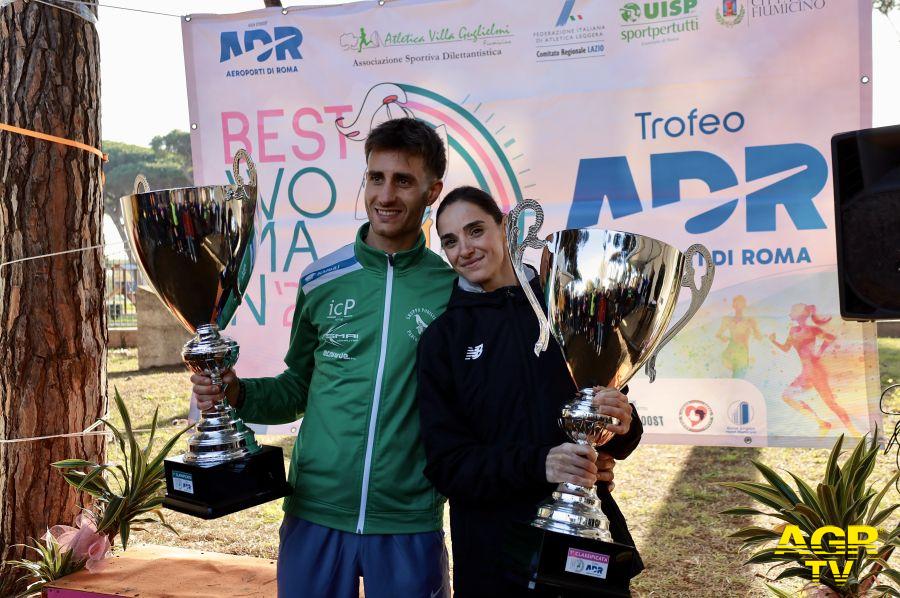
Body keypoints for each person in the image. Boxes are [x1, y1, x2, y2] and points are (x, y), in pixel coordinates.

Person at [191, 118, 457, 597]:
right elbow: (297, 387)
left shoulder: (453, 290)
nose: (386, 195)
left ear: (432, 191)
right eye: (376, 177)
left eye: (403, 180)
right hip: (314, 510)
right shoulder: (321, 279)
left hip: (408, 517)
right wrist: (236, 392)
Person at [416, 186, 645, 597]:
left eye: (475, 230)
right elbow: (447, 465)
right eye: (450, 241)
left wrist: (622, 423)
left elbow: (614, 430)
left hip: (583, 547)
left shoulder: (572, 309)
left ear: (505, 227)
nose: (465, 249)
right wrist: (540, 464)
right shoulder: (443, 339)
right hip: (492, 556)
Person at [769, 303, 861, 436]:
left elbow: (830, 338)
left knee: (830, 403)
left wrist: (819, 352)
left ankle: (854, 432)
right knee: (787, 396)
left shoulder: (812, 330)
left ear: (800, 313)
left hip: (816, 372)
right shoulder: (793, 330)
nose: (790, 313)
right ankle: (822, 423)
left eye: (793, 310)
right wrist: (773, 341)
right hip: (806, 372)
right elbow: (786, 348)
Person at [716, 295, 762, 378]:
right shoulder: (727, 320)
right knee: (735, 378)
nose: (739, 307)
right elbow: (718, 334)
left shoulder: (750, 320)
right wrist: (723, 338)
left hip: (742, 354)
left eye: (741, 304)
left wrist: (754, 330)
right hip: (730, 353)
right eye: (737, 305)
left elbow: (759, 337)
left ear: (744, 306)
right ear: (733, 306)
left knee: (737, 378)